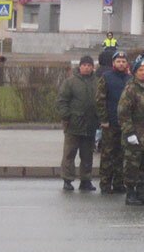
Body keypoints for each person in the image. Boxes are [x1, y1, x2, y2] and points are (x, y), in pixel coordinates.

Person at [57, 55, 99, 192]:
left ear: (93, 67)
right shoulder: (70, 82)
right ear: (80, 66)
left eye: (89, 65)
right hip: (73, 125)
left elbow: (100, 102)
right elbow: (62, 100)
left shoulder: (97, 82)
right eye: (84, 65)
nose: (87, 67)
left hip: (90, 125)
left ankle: (85, 180)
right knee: (69, 154)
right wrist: (66, 116)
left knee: (87, 155)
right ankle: (67, 180)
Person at [96, 51, 129, 195]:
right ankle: (105, 183)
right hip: (110, 123)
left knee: (122, 155)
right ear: (113, 63)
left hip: (125, 124)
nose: (121, 64)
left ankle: (118, 183)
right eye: (118, 61)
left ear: (126, 63)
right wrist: (104, 119)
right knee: (108, 154)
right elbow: (100, 100)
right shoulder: (106, 78)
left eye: (123, 61)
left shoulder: (130, 79)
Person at [118, 56, 144, 206]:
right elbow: (123, 112)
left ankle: (141, 193)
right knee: (132, 165)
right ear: (135, 72)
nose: (143, 73)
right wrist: (129, 133)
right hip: (134, 134)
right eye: (140, 70)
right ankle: (130, 193)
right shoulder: (131, 88)